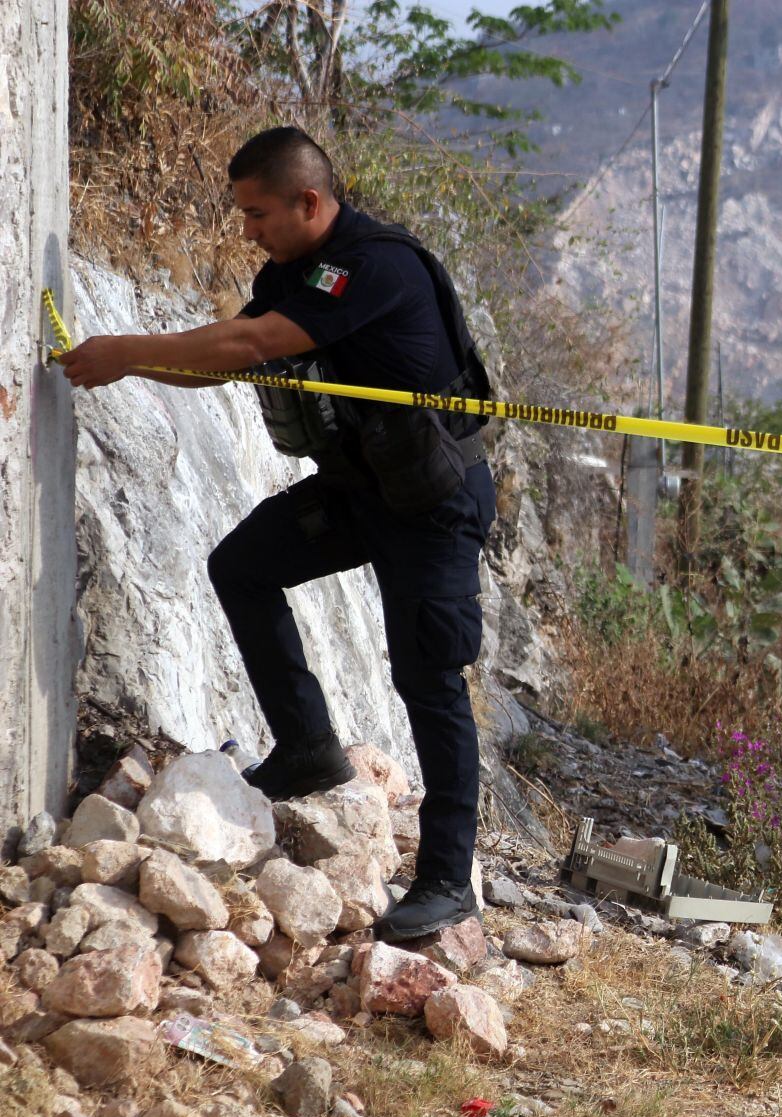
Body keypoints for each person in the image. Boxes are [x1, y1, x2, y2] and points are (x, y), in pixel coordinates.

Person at [57, 126, 494, 941]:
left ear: (309, 201)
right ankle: (306, 747)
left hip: (433, 499)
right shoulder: (292, 271)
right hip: (362, 488)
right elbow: (223, 359)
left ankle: (444, 878)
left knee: (428, 676)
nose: (247, 230)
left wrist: (125, 351)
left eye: (258, 213)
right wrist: (123, 359)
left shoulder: (377, 265)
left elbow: (252, 341)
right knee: (245, 566)